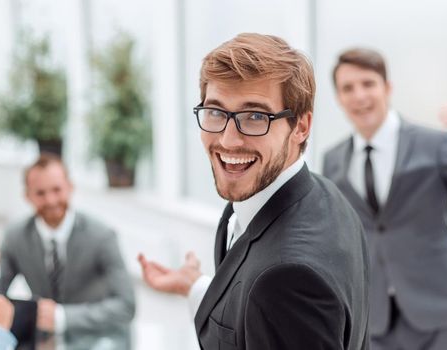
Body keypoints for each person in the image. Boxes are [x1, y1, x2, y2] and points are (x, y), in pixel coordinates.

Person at [138, 33, 369, 349]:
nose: (229, 140)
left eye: (256, 116)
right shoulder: (323, 196)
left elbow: (275, 296)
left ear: (301, 126)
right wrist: (196, 287)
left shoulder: (287, 280)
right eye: (217, 112)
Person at [322, 48, 447, 350]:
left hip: (441, 315)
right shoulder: (333, 161)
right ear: (339, 98)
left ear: (387, 87)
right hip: (374, 322)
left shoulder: (435, 144)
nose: (359, 96)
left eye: (368, 84)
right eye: (348, 88)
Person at [0, 154, 135, 349]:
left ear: (70, 187)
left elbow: (126, 305)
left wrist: (62, 316)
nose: (50, 200)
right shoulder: (15, 236)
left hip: (97, 338)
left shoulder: (102, 236)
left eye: (57, 190)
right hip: (45, 341)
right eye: (40, 193)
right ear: (27, 196)